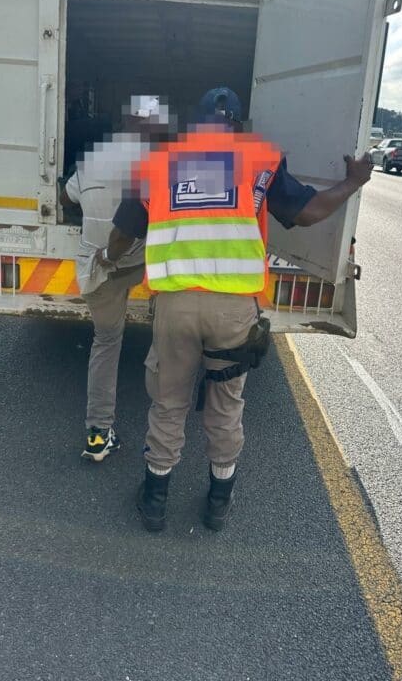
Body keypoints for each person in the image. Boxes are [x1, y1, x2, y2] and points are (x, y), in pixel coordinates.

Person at [100, 87, 373, 529]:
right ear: (237, 126)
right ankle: (218, 503)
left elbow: (123, 232)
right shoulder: (258, 160)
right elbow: (306, 213)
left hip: (176, 307)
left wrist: (109, 259)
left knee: (168, 402)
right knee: (226, 404)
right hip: (233, 312)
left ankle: (154, 500)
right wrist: (354, 180)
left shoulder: (157, 164)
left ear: (194, 124)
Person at [61, 95, 172, 462]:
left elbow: (68, 197)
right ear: (152, 126)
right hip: (143, 265)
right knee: (166, 335)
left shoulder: (92, 158)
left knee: (106, 342)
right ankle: (166, 432)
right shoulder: (158, 162)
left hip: (99, 267)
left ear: (126, 121)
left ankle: (98, 433)